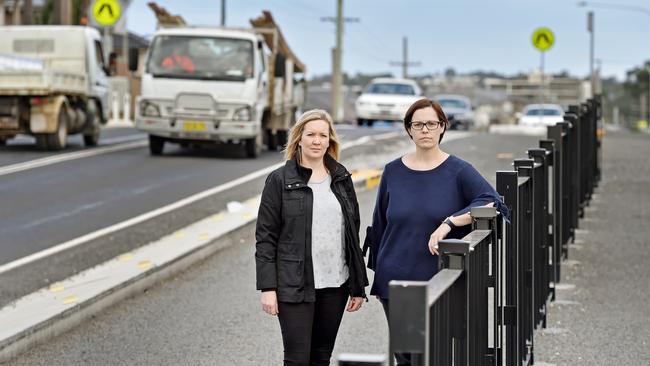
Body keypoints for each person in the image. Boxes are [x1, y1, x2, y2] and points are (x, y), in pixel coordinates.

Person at [364, 98, 507, 366]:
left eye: (431, 123)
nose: (425, 130)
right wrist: (378, 277)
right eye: (418, 124)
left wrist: (450, 222)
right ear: (409, 129)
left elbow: (493, 202)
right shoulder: (393, 171)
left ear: (443, 127)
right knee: (406, 358)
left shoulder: (459, 170)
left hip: (439, 278)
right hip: (397, 279)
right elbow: (381, 225)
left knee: (435, 355)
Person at [255, 109, 368, 366]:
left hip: (335, 284)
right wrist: (268, 288)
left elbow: (351, 234)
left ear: (330, 141)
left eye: (322, 135)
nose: (317, 141)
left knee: (321, 357)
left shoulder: (341, 178)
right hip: (294, 284)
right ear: (299, 139)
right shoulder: (279, 180)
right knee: (297, 359)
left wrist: (357, 285)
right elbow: (266, 238)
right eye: (311, 135)